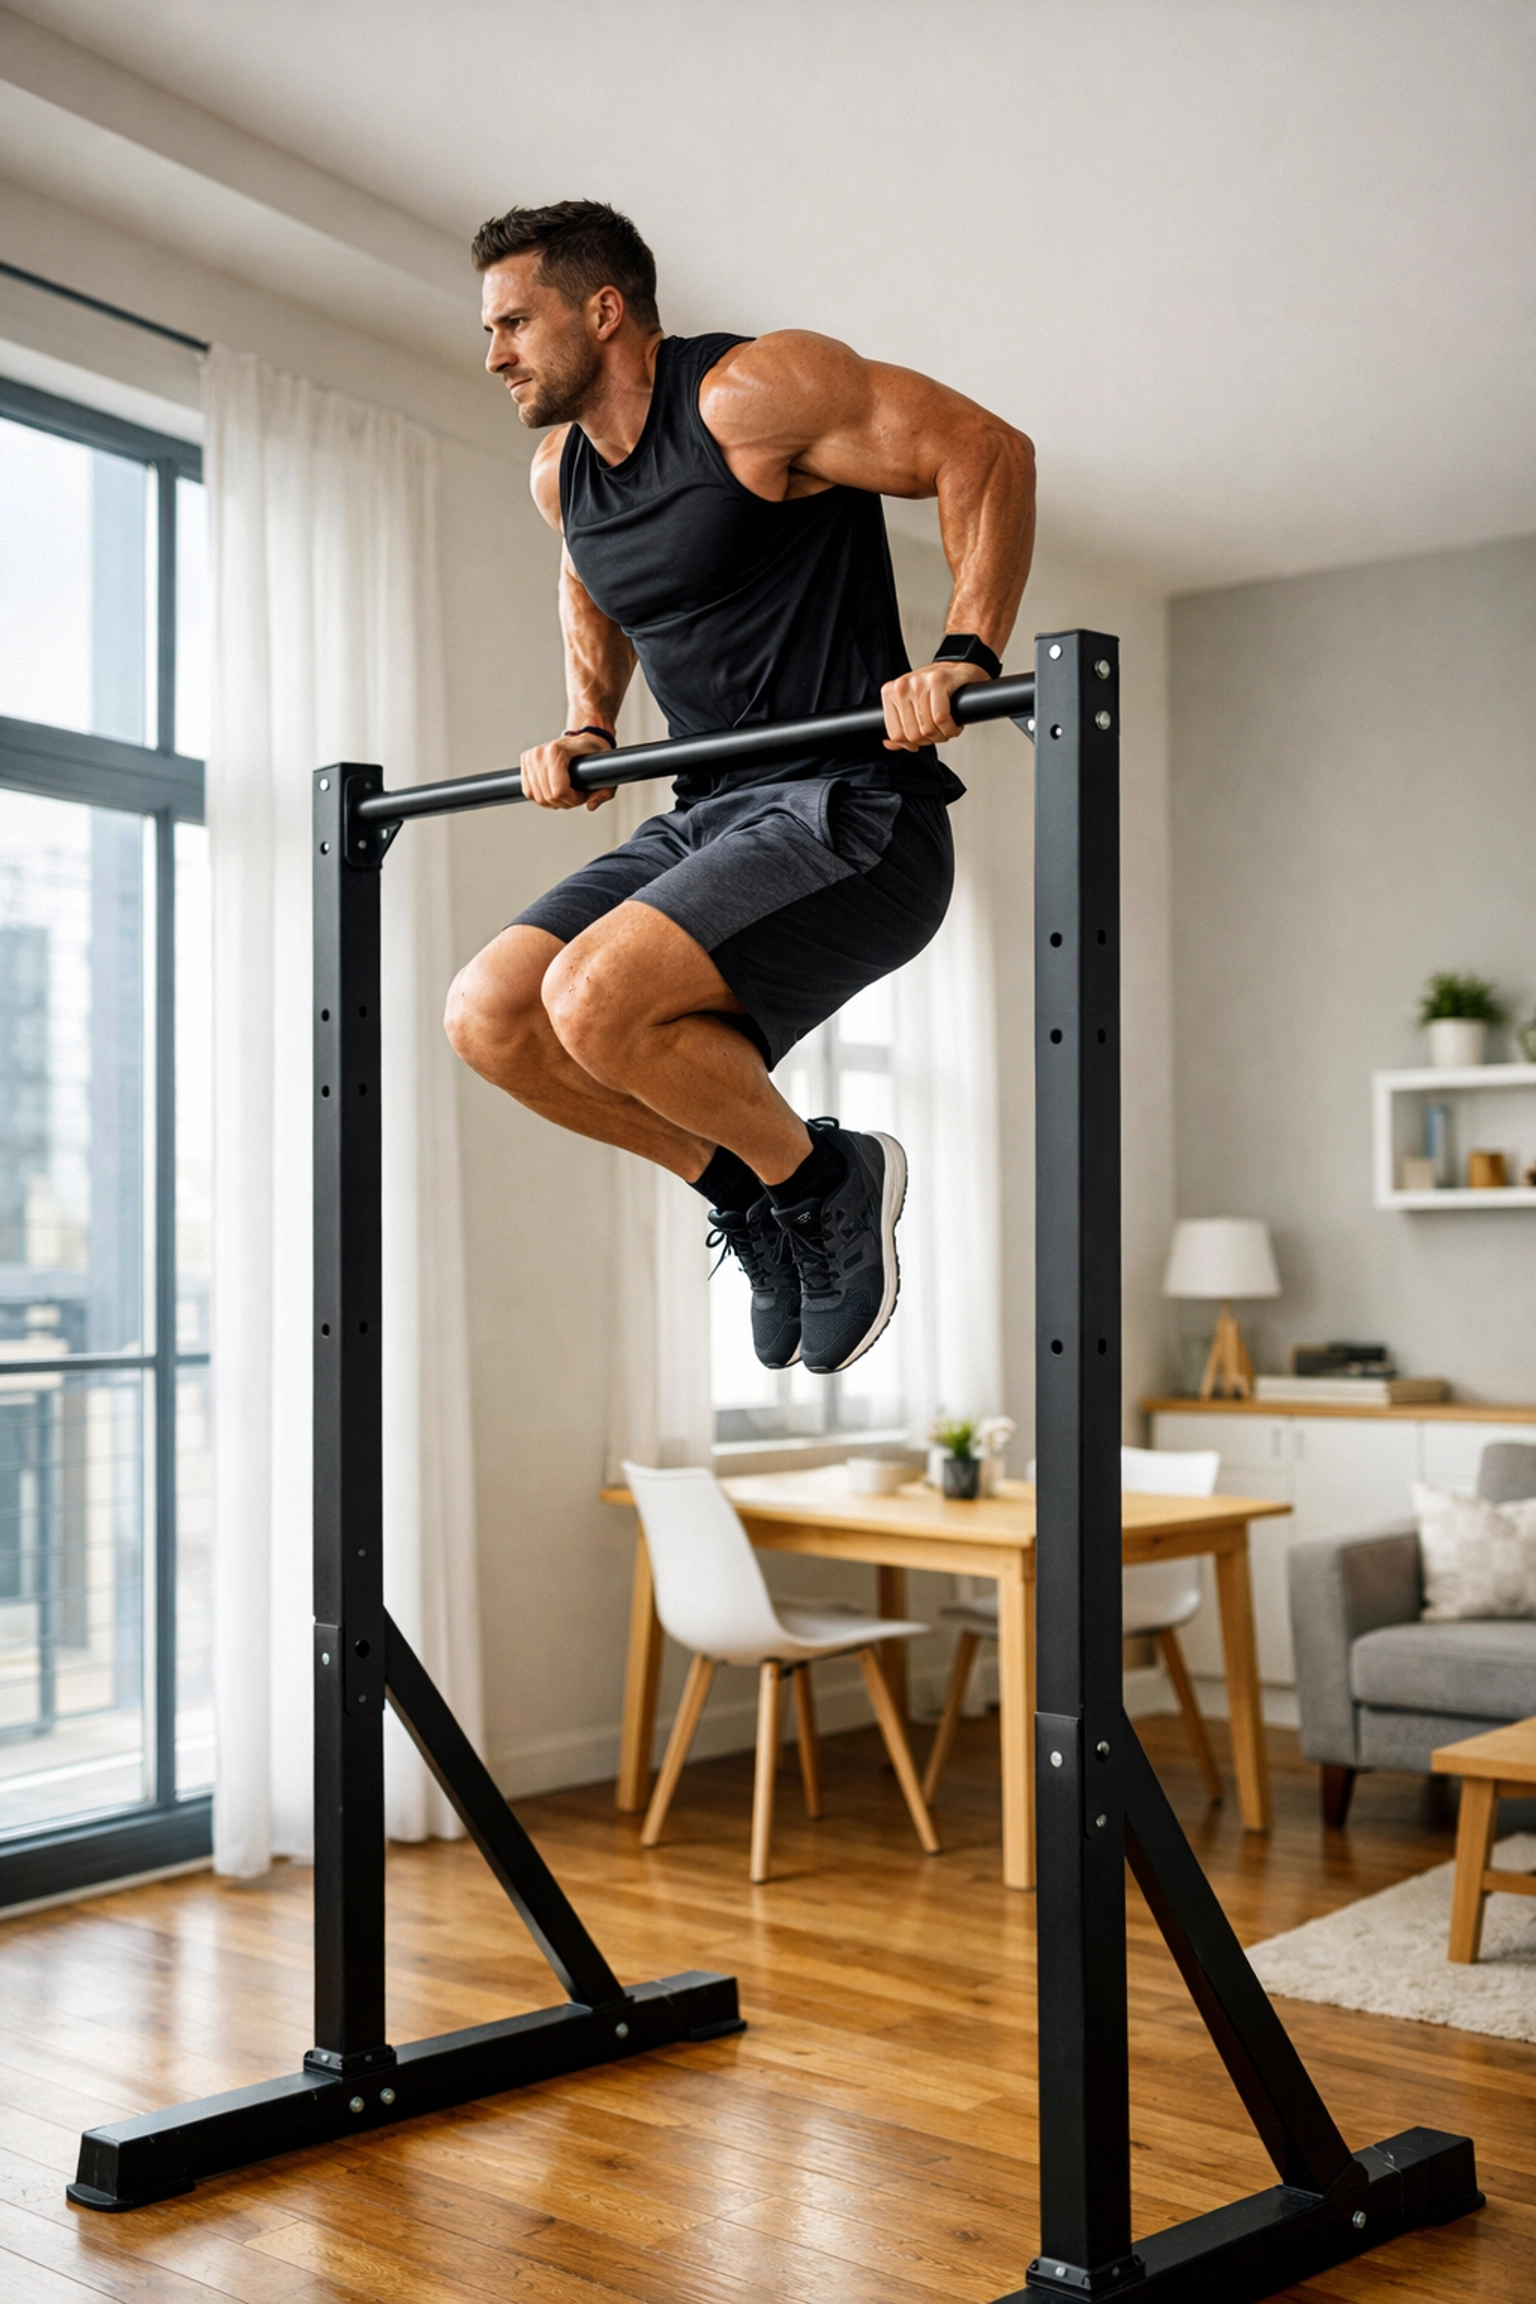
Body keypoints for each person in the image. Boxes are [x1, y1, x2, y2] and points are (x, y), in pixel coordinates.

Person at [445, 201, 1034, 1376]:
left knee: (594, 997)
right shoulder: (562, 473)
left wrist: (965, 655)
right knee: (493, 1017)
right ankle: (756, 1190)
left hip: (853, 809)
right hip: (708, 813)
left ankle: (828, 1179)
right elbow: (593, 587)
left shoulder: (748, 396)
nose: (495, 351)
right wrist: (587, 720)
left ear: (601, 308)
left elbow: (985, 449)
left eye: (514, 320)